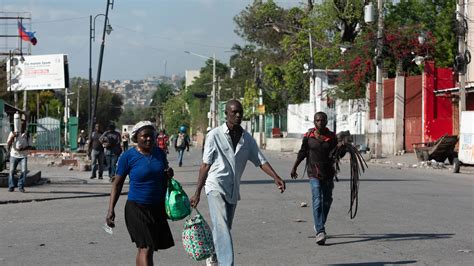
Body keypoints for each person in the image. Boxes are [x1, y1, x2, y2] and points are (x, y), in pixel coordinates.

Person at [190, 99, 286, 266]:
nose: (238, 115)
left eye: (240, 112)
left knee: (224, 227)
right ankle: (227, 263)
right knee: (221, 225)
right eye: (234, 112)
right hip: (215, 185)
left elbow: (260, 160)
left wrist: (276, 177)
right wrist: (198, 191)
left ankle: (213, 253)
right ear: (226, 114)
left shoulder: (246, 138)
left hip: (233, 188)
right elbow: (205, 164)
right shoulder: (214, 135)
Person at [106, 121, 174, 266]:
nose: (149, 139)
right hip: (136, 208)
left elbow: (163, 177)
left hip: (156, 207)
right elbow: (117, 185)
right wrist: (111, 210)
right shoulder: (128, 157)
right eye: (145, 136)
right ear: (136, 137)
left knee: (146, 248)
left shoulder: (160, 153)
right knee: (146, 247)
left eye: (152, 136)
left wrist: (168, 175)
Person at [290, 111, 338, 245]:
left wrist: (343, 147)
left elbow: (336, 154)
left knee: (327, 200)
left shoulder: (332, 137)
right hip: (313, 173)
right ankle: (320, 231)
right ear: (314, 122)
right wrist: (294, 167)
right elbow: (302, 153)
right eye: (317, 120)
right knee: (317, 199)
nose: (320, 123)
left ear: (326, 122)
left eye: (323, 120)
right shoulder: (309, 137)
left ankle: (319, 223)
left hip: (328, 173)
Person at [6, 121, 30, 192]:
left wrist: (23, 148)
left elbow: (30, 145)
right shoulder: (13, 133)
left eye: (24, 125)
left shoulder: (27, 134)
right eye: (21, 125)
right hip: (14, 155)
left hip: (23, 155)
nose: (23, 126)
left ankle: (21, 186)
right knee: (11, 171)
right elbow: (8, 143)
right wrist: (12, 137)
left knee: (24, 171)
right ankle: (11, 186)